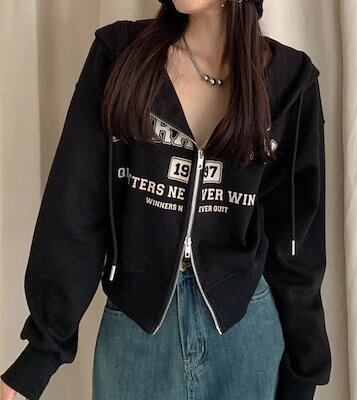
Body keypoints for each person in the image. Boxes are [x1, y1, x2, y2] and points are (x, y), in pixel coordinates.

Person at [1, 0, 331, 399]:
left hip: (244, 336)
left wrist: (304, 369)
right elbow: (75, 208)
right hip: (136, 334)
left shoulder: (291, 82)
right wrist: (40, 354)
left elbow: (296, 242)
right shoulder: (120, 55)